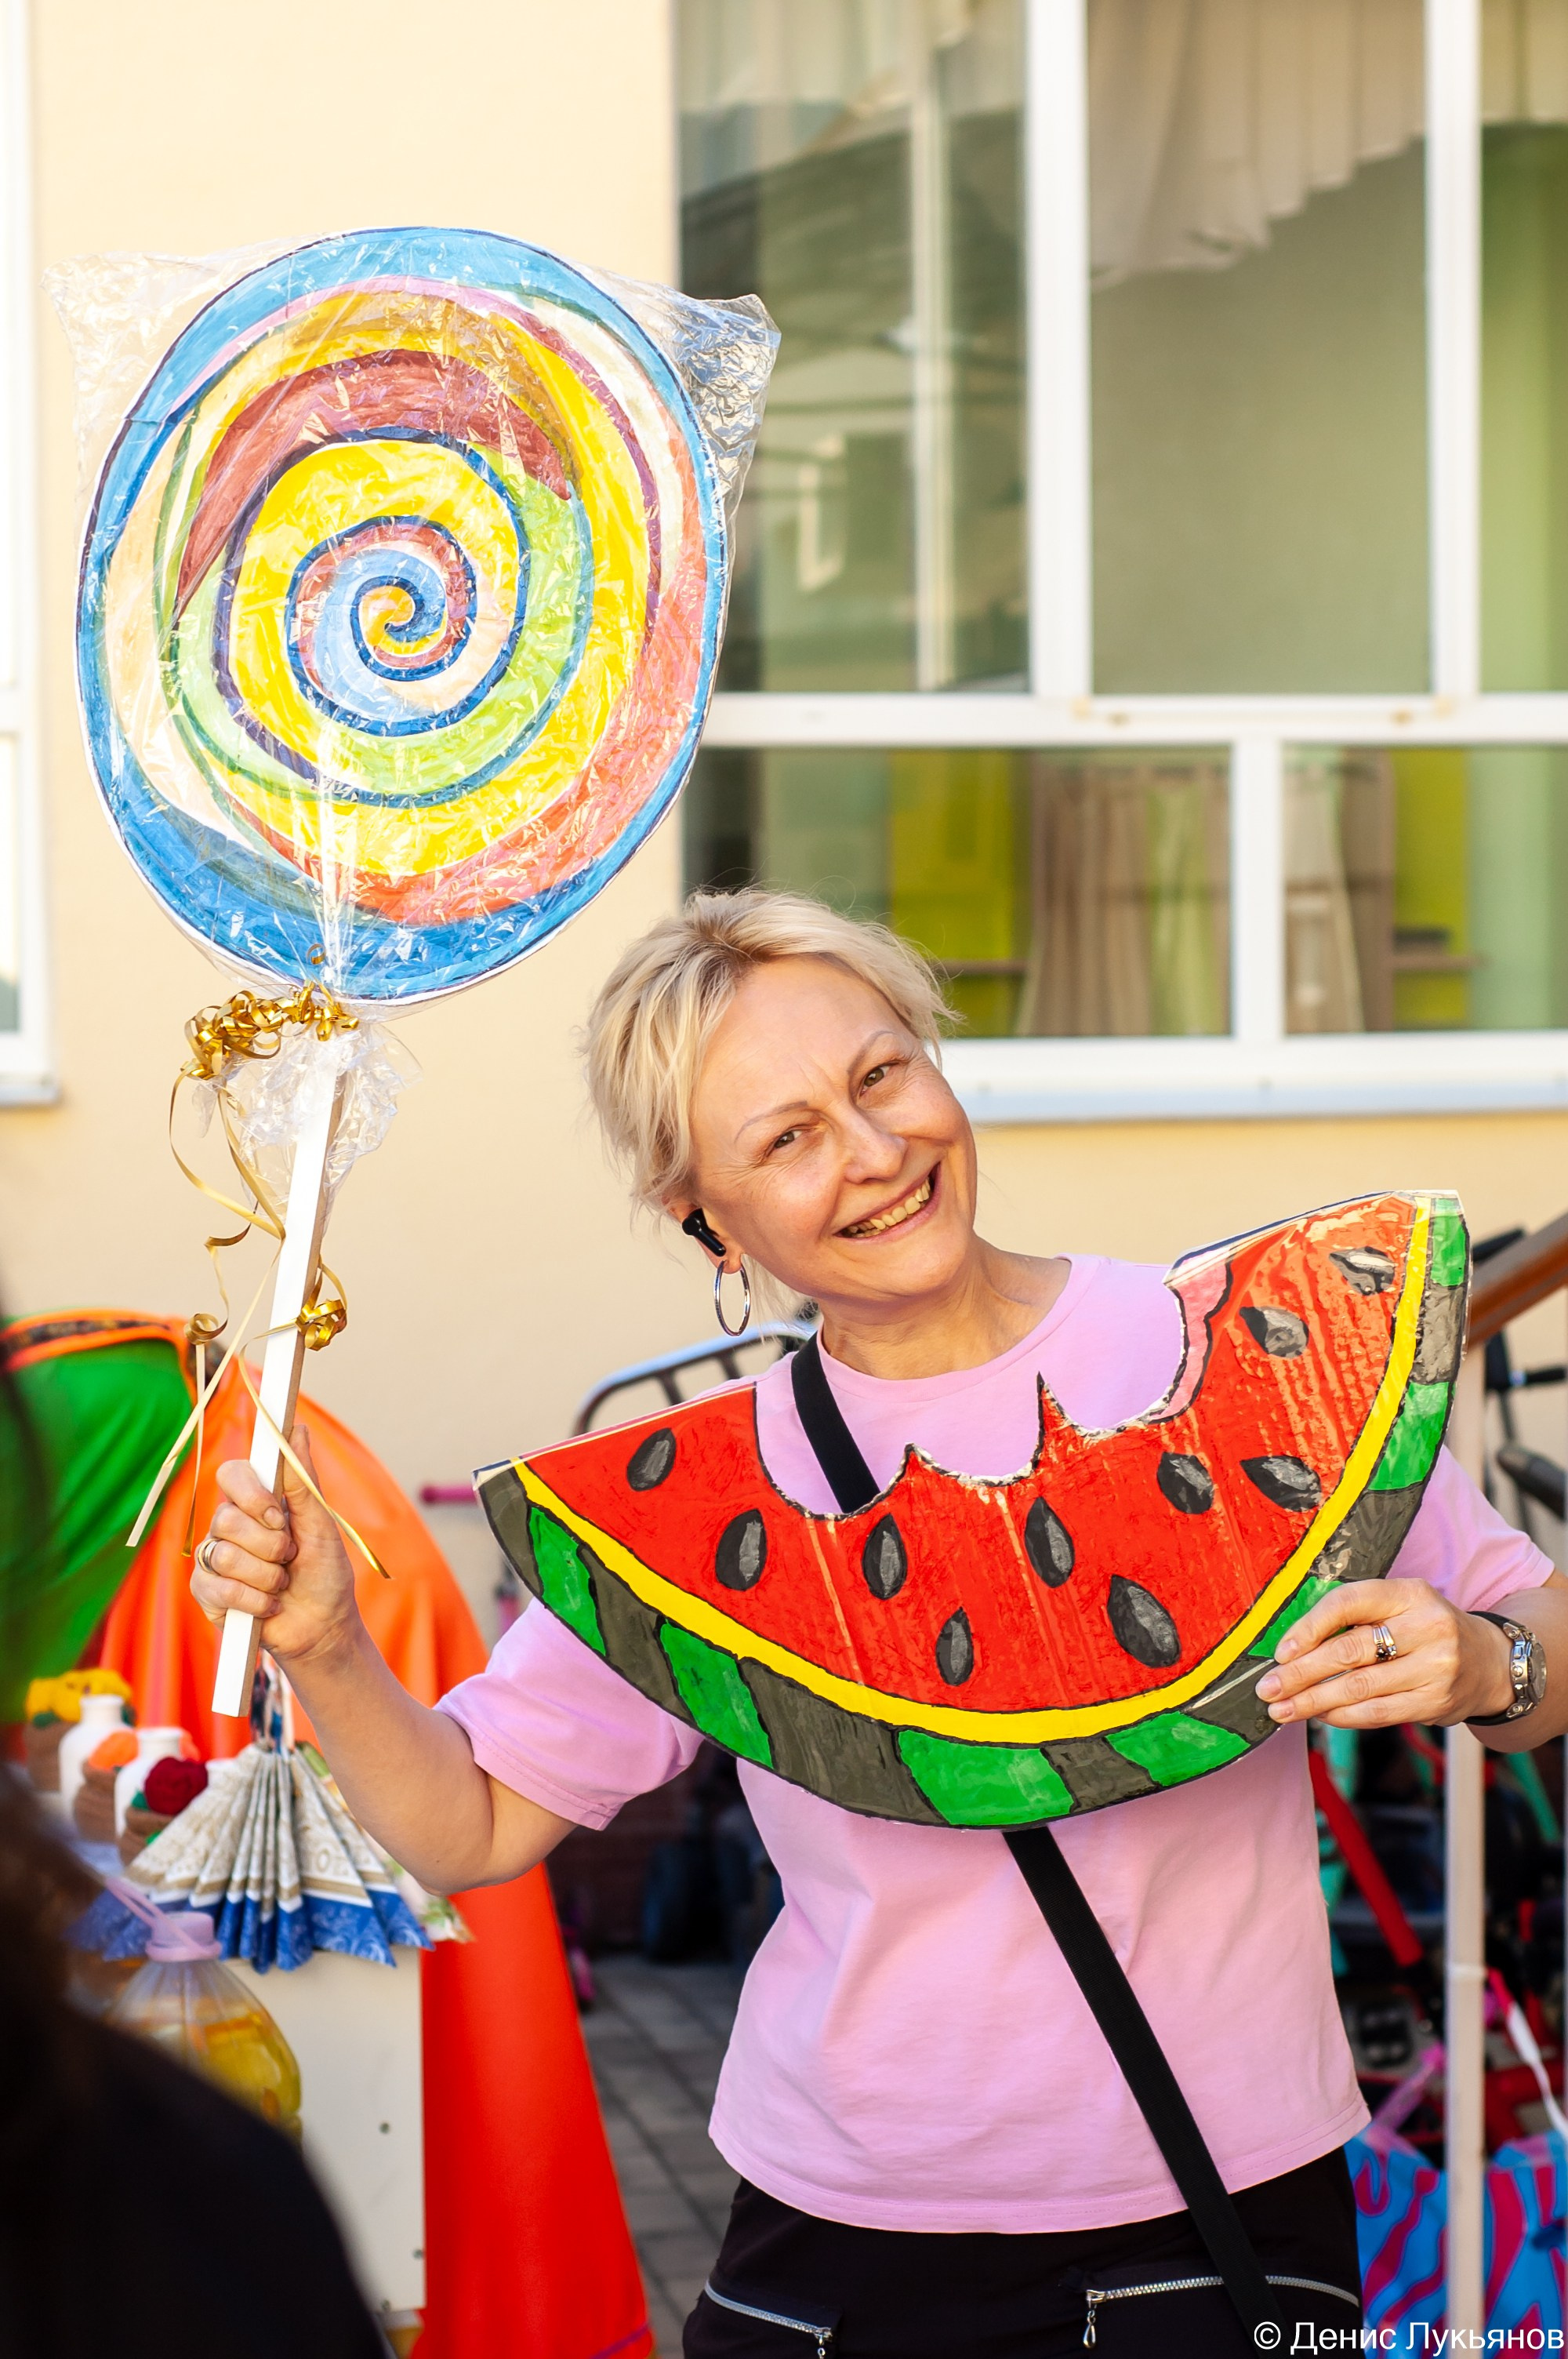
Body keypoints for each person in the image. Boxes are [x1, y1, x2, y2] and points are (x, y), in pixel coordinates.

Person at [193, 890, 1568, 2358]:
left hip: (1218, 2213)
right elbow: (469, 1826)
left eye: (881, 1075)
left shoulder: (1228, 1361)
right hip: (837, 2244)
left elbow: (1540, 1647)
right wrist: (328, 1647)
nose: (872, 1154)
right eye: (784, 1139)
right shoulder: (704, 1509)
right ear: (704, 1215)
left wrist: (1493, 1664)